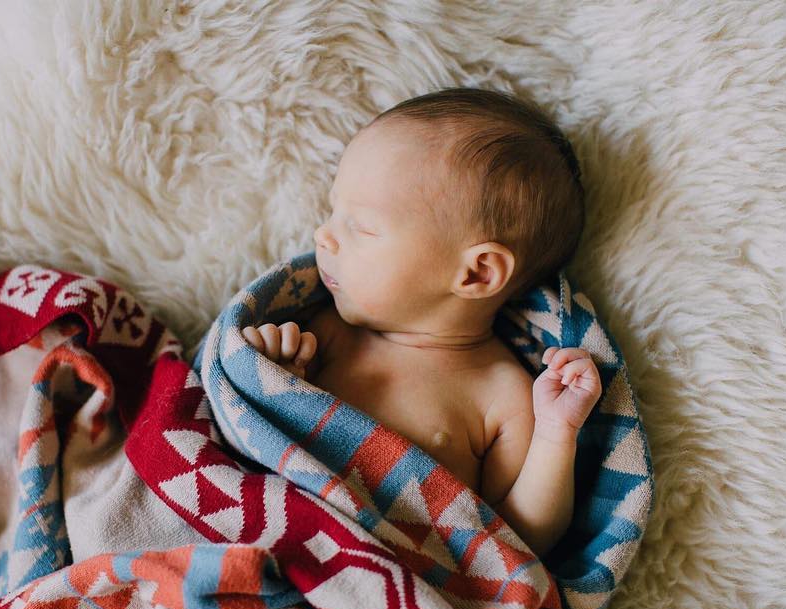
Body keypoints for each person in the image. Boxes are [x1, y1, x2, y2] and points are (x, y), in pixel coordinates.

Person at [242, 87, 600, 556]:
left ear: (476, 273)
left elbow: (522, 541)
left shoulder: (501, 396)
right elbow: (251, 429)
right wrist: (272, 375)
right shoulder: (323, 331)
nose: (322, 236)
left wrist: (557, 433)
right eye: (334, 211)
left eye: (363, 227)